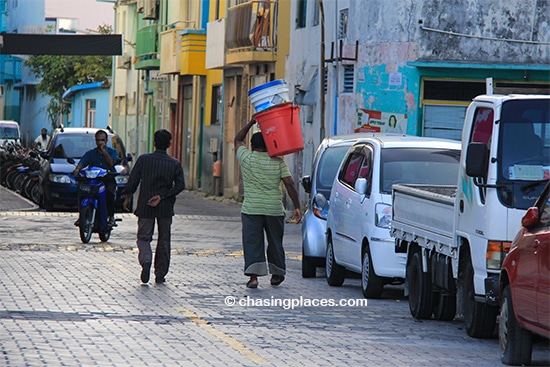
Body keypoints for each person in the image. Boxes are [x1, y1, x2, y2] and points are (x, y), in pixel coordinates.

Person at [234, 119, 302, 289]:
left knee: (252, 242)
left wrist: (250, 122)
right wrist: (297, 206)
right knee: (275, 241)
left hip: (251, 209)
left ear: (251, 145)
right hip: (273, 209)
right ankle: (277, 274)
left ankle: (254, 278)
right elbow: (289, 184)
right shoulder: (278, 162)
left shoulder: (246, 158)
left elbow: (237, 139)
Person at [123, 129, 185, 284]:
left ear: (154, 143)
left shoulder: (144, 160)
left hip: (146, 204)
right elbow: (180, 186)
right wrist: (163, 196)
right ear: (169, 144)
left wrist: (128, 196)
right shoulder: (174, 164)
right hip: (165, 206)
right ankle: (160, 273)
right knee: (164, 240)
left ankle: (146, 260)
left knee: (144, 238)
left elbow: (133, 181)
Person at [72, 130, 118, 226]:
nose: (100, 142)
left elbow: (111, 163)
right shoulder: (91, 153)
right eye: (98, 140)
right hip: (93, 180)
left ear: (106, 140)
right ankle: (82, 215)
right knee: (81, 191)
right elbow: (83, 162)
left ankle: (111, 217)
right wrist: (77, 169)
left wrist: (104, 151)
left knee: (109, 193)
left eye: (102, 140)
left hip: (107, 180)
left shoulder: (112, 152)